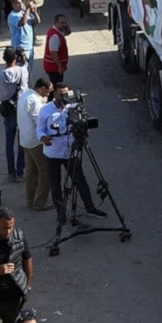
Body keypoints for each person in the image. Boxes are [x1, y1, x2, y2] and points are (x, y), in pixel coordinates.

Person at [37, 83, 107, 225]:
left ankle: (90, 207)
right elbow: (39, 129)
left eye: (66, 94)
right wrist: (43, 138)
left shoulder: (73, 107)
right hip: (53, 153)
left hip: (71, 151)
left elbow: (83, 123)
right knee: (55, 185)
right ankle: (61, 212)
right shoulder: (45, 110)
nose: (64, 97)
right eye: (61, 94)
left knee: (80, 181)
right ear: (54, 94)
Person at [18, 77, 52, 210]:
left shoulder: (25, 95)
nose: (48, 94)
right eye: (48, 91)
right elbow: (39, 122)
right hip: (35, 141)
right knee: (45, 170)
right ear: (42, 88)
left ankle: (31, 199)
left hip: (25, 139)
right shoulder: (35, 101)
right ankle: (40, 202)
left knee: (31, 171)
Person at [0, 47, 29, 183]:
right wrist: (24, 58)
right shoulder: (22, 71)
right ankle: (20, 170)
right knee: (22, 142)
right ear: (16, 58)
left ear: (4, 59)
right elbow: (26, 67)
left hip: (8, 109)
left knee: (9, 142)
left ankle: (11, 171)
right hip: (21, 108)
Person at [7, 0, 38, 70]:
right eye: (17, 3)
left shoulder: (24, 12)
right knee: (22, 70)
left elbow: (36, 21)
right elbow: (22, 23)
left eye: (21, 3)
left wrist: (34, 12)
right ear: (12, 5)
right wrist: (27, 9)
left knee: (29, 70)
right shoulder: (12, 16)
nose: (20, 5)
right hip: (20, 48)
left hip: (29, 47)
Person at [42, 14, 72, 86]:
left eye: (65, 22)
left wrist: (65, 26)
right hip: (54, 67)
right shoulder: (55, 36)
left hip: (53, 67)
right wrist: (60, 66)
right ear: (55, 22)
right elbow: (53, 53)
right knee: (56, 88)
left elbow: (68, 32)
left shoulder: (57, 31)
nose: (64, 24)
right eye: (62, 23)